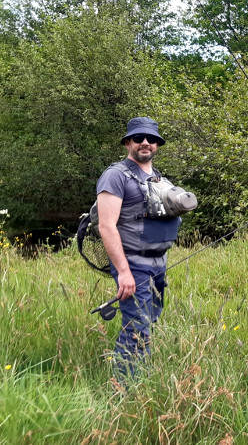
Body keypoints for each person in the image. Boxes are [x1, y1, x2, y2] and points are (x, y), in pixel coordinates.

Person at [96, 116, 179, 378]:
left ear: (157, 145)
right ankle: (123, 393)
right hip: (132, 264)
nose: (145, 143)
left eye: (151, 139)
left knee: (148, 323)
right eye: (138, 138)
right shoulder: (114, 176)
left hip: (158, 264)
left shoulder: (158, 178)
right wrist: (123, 272)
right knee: (136, 328)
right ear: (127, 143)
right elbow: (106, 226)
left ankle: (141, 380)